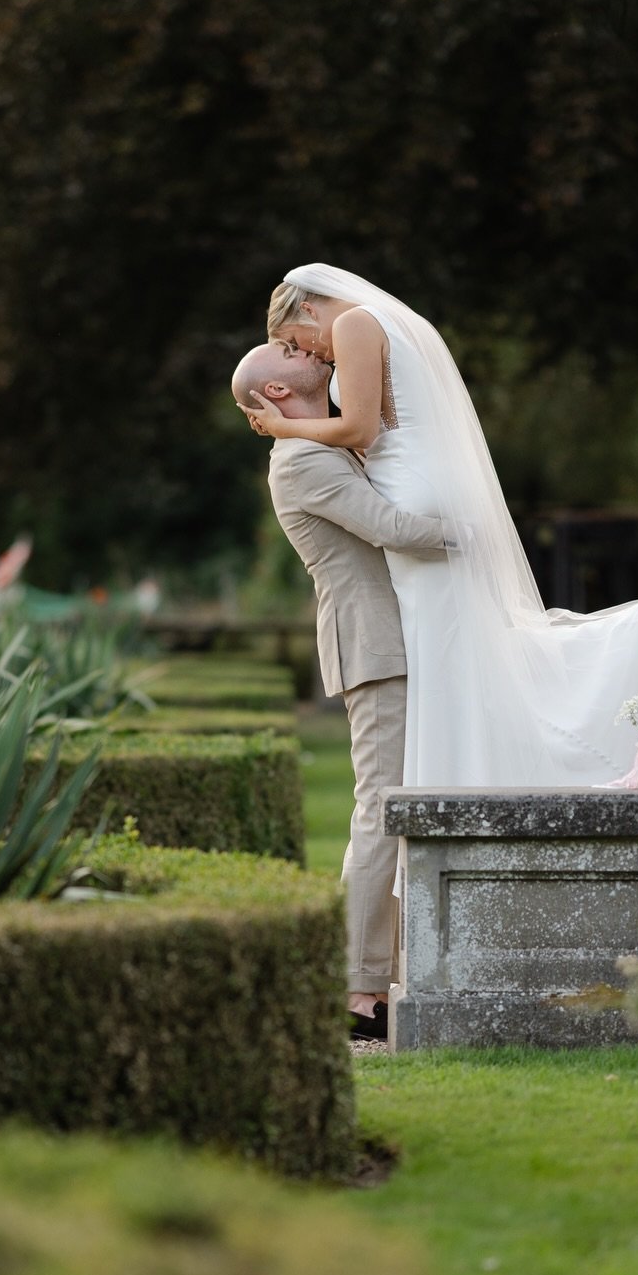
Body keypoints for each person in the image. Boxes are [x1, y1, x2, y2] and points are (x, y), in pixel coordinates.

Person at [243, 264, 638, 790]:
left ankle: (464, 784)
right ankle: (466, 785)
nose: (311, 353)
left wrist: (285, 426)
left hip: (409, 489)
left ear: (307, 308)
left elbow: (360, 428)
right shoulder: (395, 324)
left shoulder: (351, 324)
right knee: (461, 649)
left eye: (295, 341)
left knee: (446, 656)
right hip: (423, 479)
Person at [232, 339, 452, 1042]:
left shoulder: (321, 442)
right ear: (273, 392)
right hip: (374, 646)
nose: (308, 350)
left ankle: (381, 973)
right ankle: (358, 992)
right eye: (288, 351)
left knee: (395, 804)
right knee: (380, 808)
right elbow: (392, 530)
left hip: (397, 638)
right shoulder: (300, 461)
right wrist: (483, 534)